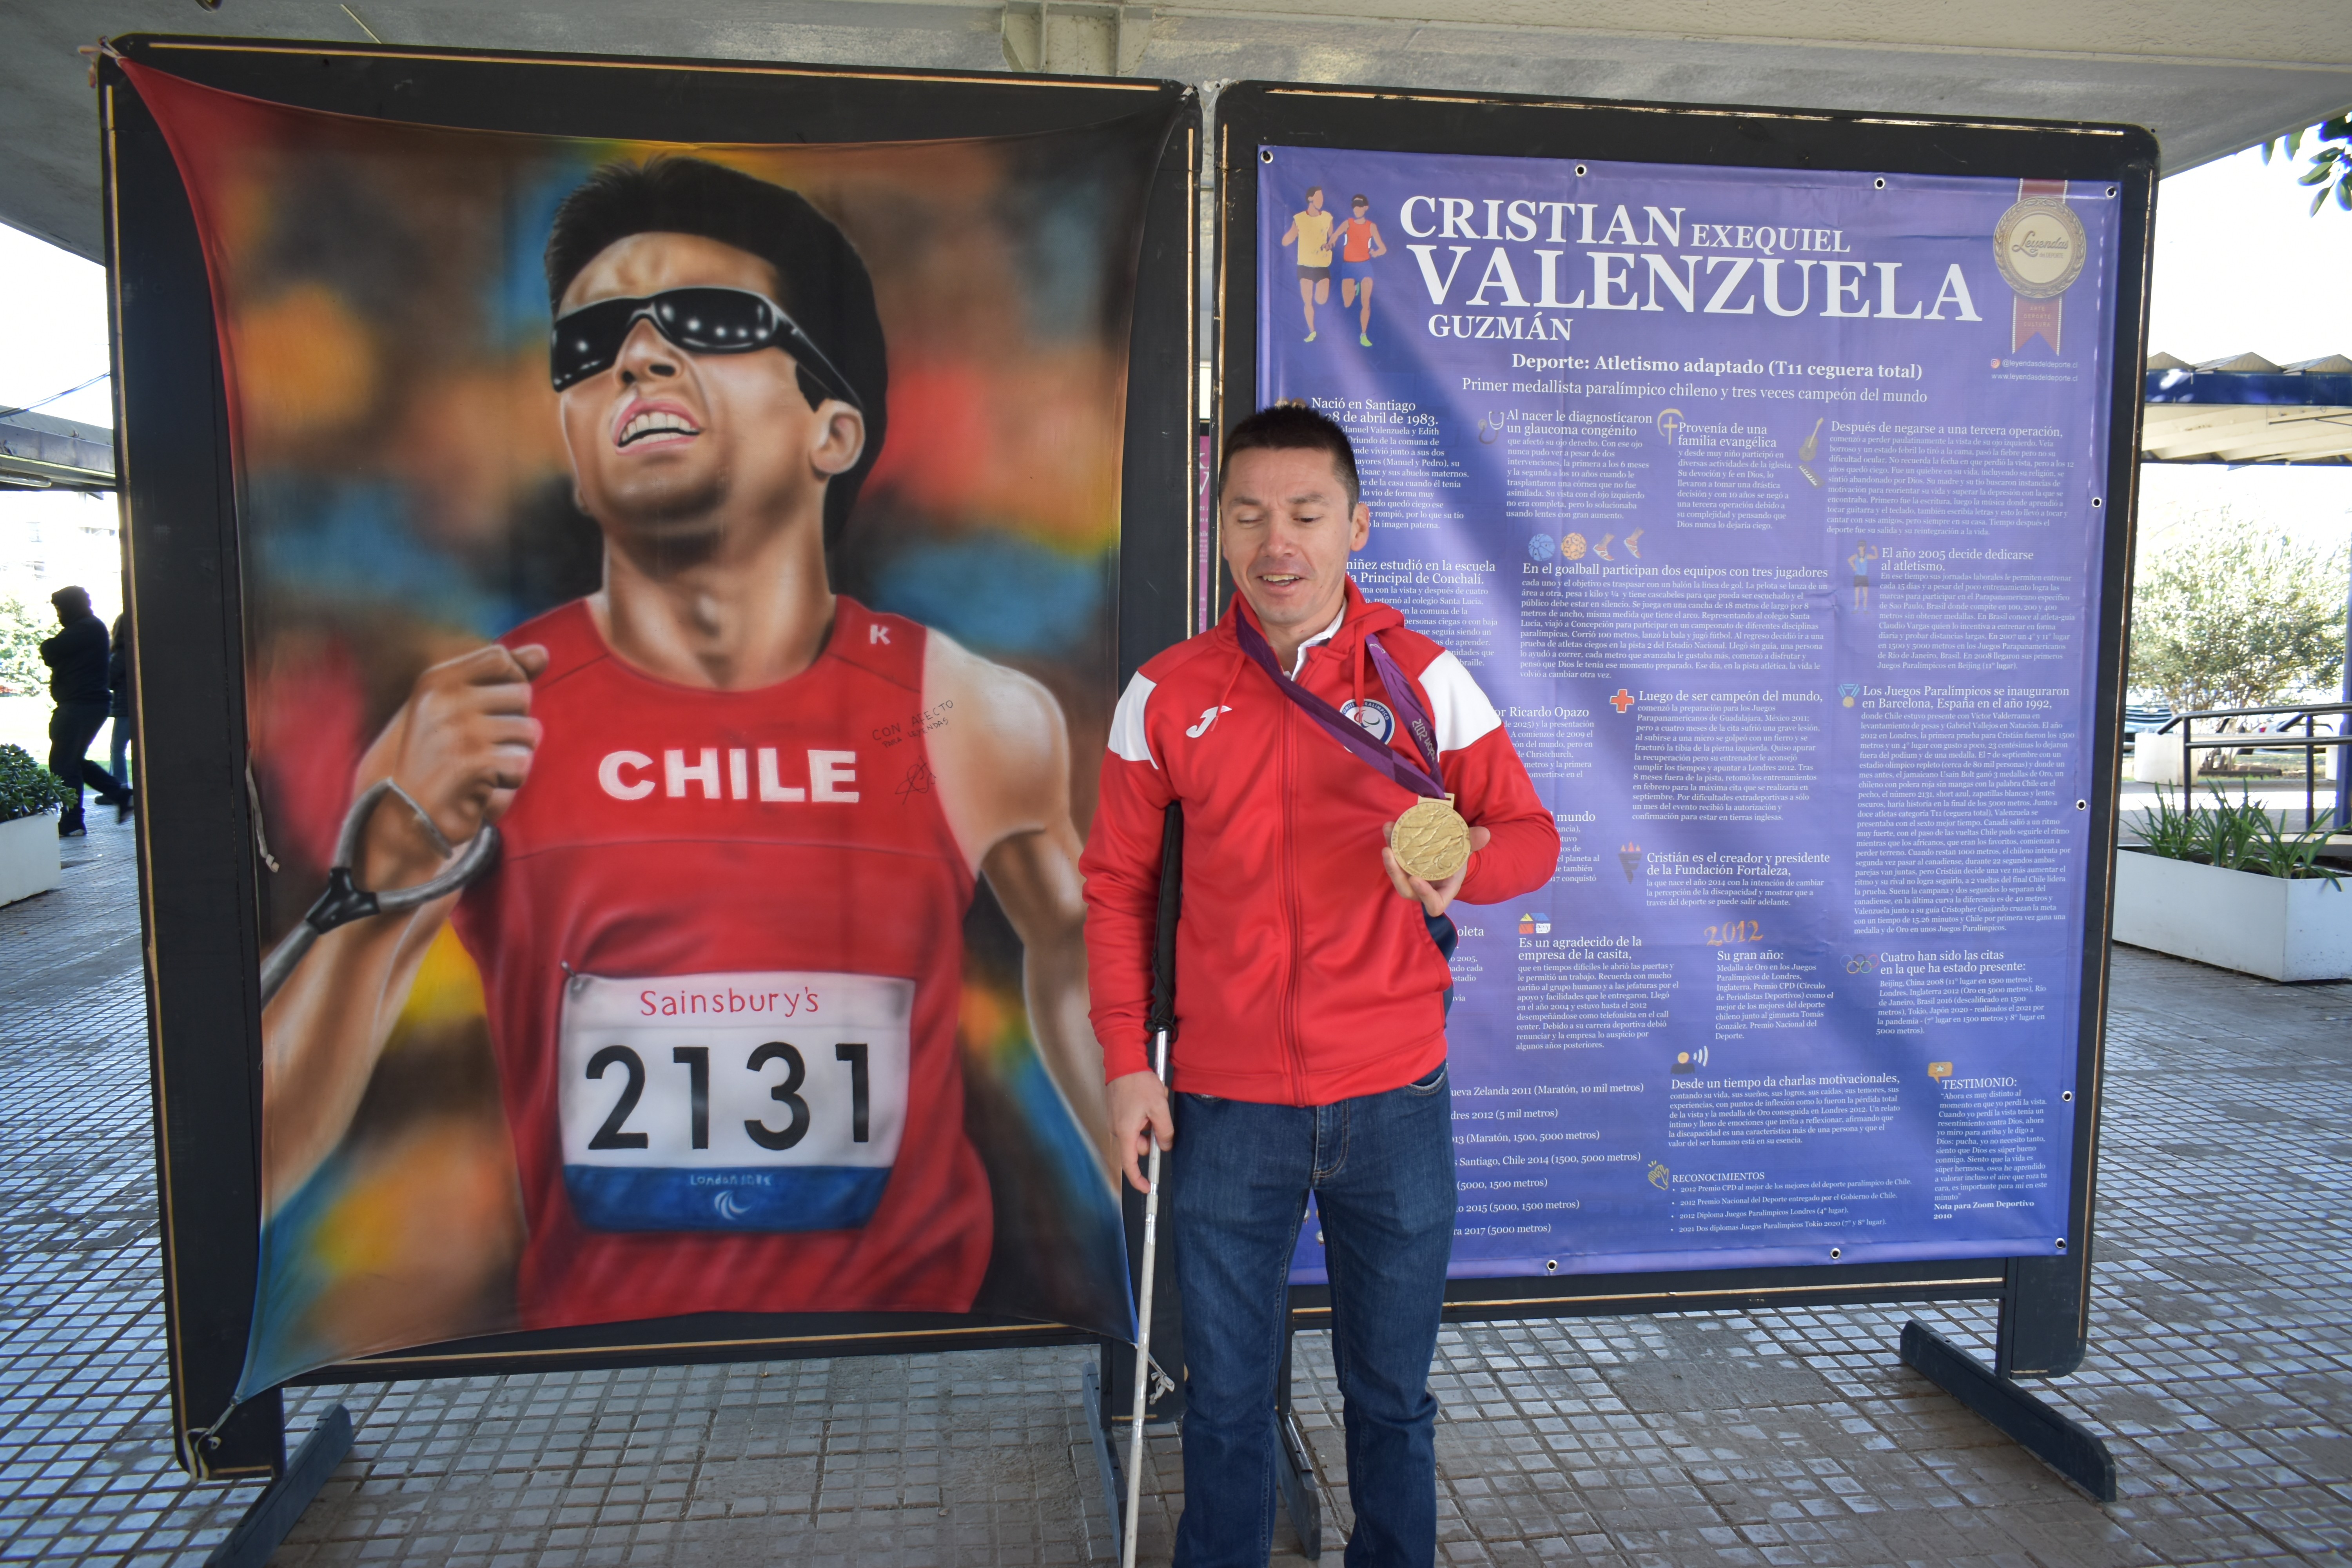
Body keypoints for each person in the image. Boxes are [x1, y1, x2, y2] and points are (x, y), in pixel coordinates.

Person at [261, 156, 1112, 1330]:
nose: (636, 358)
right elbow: (248, 1162)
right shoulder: (476, 722)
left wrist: (1144, 1177)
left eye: (708, 324)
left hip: (923, 1356)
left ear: (834, 430)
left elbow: (1068, 952)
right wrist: (381, 881)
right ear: (568, 440)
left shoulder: (969, 713)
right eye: (587, 346)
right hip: (605, 1381)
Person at [1082, 405, 1559, 1566]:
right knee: (1227, 1405)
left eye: (1303, 512)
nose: (1273, 539)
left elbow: (1531, 836)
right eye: (1246, 513)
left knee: (1391, 1398)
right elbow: (1113, 889)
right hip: (1225, 1105)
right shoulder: (1164, 693)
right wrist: (1125, 1067)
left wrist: (1465, 864)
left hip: (1392, 1099)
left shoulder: (1424, 678)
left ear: (1354, 526)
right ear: (1221, 529)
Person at [39, 585, 126, 837]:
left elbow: (51, 650)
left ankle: (73, 821)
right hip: (84, 704)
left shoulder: (86, 628)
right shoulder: (88, 628)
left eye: (59, 608)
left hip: (81, 704)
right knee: (73, 760)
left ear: (71, 606)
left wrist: (50, 648)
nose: (58, 615)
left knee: (63, 763)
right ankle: (119, 794)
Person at [1279, 187, 1337, 343]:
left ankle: (1325, 326)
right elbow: (1287, 239)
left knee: (1322, 299)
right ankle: (1312, 331)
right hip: (1305, 266)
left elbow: (1333, 239)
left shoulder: (1327, 217)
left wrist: (1330, 245)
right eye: (1319, 198)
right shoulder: (1299, 219)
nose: (1322, 201)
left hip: (1322, 265)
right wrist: (1289, 237)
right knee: (1308, 301)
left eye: (1323, 198)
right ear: (1310, 199)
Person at [1334, 194, 1387, 347]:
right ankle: (1355, 288)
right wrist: (1330, 243)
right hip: (1349, 266)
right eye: (1355, 207)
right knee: (1347, 302)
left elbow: (1383, 248)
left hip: (1365, 266)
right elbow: (1335, 236)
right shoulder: (1348, 223)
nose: (1357, 209)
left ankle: (1363, 335)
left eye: (1360, 206)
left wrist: (1376, 253)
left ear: (1366, 208)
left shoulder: (1371, 226)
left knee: (1366, 302)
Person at [107, 610, 135, 821]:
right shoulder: (138, 650)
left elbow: (108, 679)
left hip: (125, 707)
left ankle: (120, 786)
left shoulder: (120, 654)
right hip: (135, 705)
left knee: (118, 748)